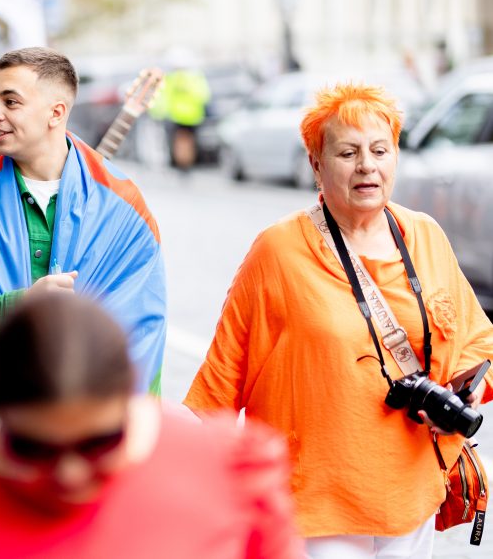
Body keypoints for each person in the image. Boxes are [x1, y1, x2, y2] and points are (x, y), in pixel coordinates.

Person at [183, 83, 493, 557]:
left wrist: (464, 392)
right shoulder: (279, 251)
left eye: (379, 150)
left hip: (410, 488)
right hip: (318, 499)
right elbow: (225, 374)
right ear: (316, 164)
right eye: (347, 152)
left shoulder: (424, 235)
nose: (366, 165)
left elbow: (475, 341)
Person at [0, 293, 304, 558]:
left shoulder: (227, 474)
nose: (69, 473)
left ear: (131, 403)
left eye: (99, 443)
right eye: (31, 447)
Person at [0, 47, 166, 434]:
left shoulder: (124, 206)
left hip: (95, 431)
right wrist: (16, 307)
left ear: (56, 113)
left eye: (10, 101)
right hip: (10, 433)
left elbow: (141, 324)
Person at [149, 62, 210, 171]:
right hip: (192, 116)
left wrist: (158, 113)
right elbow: (204, 96)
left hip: (178, 116)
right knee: (188, 142)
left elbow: (163, 97)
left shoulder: (172, 78)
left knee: (180, 142)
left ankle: (182, 164)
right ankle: (186, 164)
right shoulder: (196, 78)